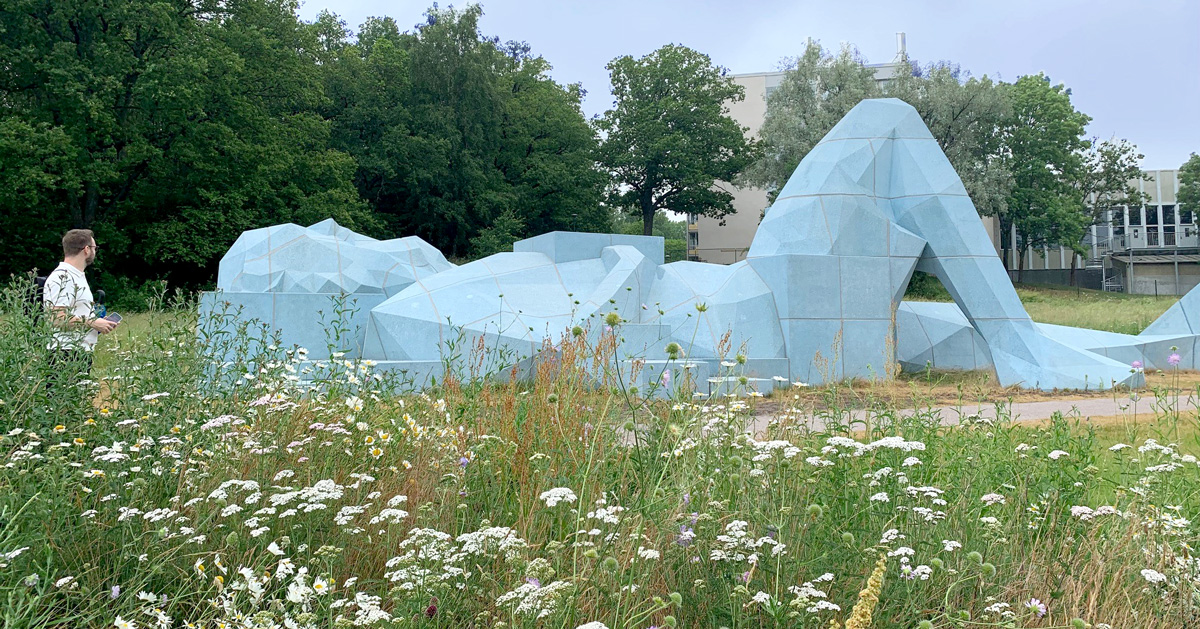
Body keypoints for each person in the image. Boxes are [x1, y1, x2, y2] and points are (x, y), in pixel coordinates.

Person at [42, 229, 118, 388]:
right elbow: (56, 318)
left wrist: (98, 322)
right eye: (94, 248)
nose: (94, 252)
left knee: (76, 406)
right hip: (64, 353)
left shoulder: (76, 276)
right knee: (62, 407)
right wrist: (92, 323)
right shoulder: (63, 277)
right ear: (86, 249)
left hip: (79, 351)